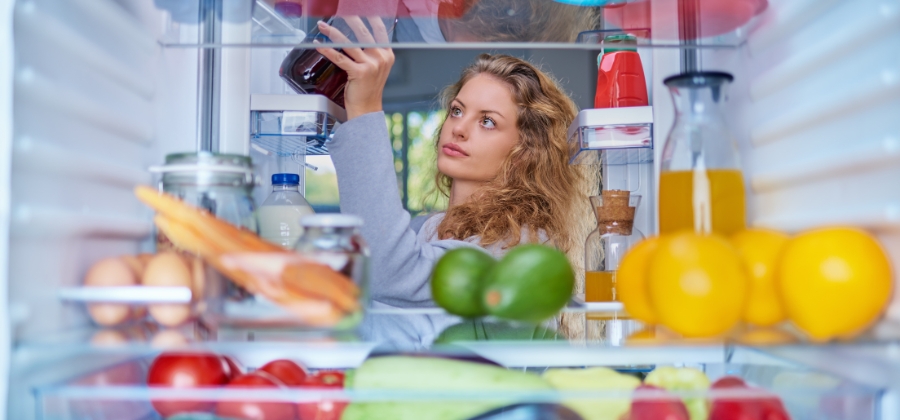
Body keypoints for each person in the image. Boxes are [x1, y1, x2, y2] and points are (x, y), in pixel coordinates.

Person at [315, 18, 596, 331]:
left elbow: (389, 270)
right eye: (457, 110)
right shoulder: (428, 228)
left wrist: (365, 111)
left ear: (526, 152)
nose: (459, 128)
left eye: (487, 121)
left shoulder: (521, 245)